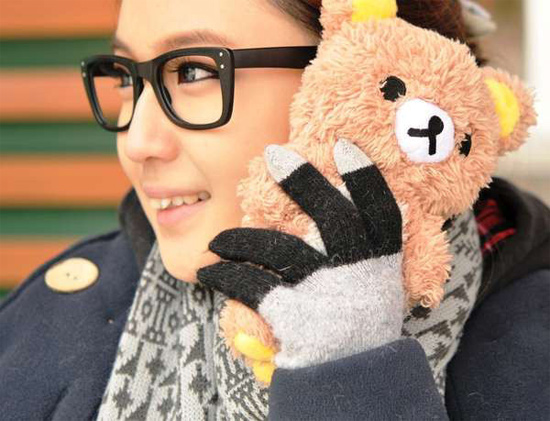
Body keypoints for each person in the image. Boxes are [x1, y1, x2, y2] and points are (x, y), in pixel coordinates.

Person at [0, 0, 548, 419]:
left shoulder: (531, 362)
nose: (138, 142)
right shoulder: (49, 331)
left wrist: (347, 376)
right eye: (126, 78)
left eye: (194, 71)